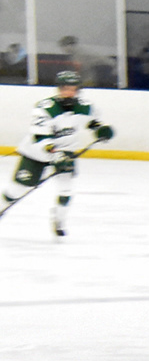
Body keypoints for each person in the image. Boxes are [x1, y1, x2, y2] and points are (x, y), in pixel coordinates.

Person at [0, 70, 113, 237]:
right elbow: (40, 138)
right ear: (59, 89)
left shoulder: (85, 106)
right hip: (36, 153)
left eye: (73, 89)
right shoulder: (45, 108)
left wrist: (100, 129)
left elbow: (92, 121)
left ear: (78, 90)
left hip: (66, 151)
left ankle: (59, 221)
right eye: (65, 88)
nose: (69, 92)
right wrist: (54, 154)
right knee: (18, 188)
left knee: (66, 190)